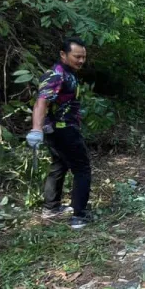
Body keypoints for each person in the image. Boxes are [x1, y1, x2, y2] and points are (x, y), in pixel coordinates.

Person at [26, 37, 92, 230]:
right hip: (63, 130)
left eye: (83, 57)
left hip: (59, 129)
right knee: (82, 168)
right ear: (63, 54)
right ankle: (79, 216)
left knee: (60, 164)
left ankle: (51, 207)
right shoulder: (56, 75)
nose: (80, 60)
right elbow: (41, 102)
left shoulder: (68, 73)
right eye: (76, 56)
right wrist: (36, 129)